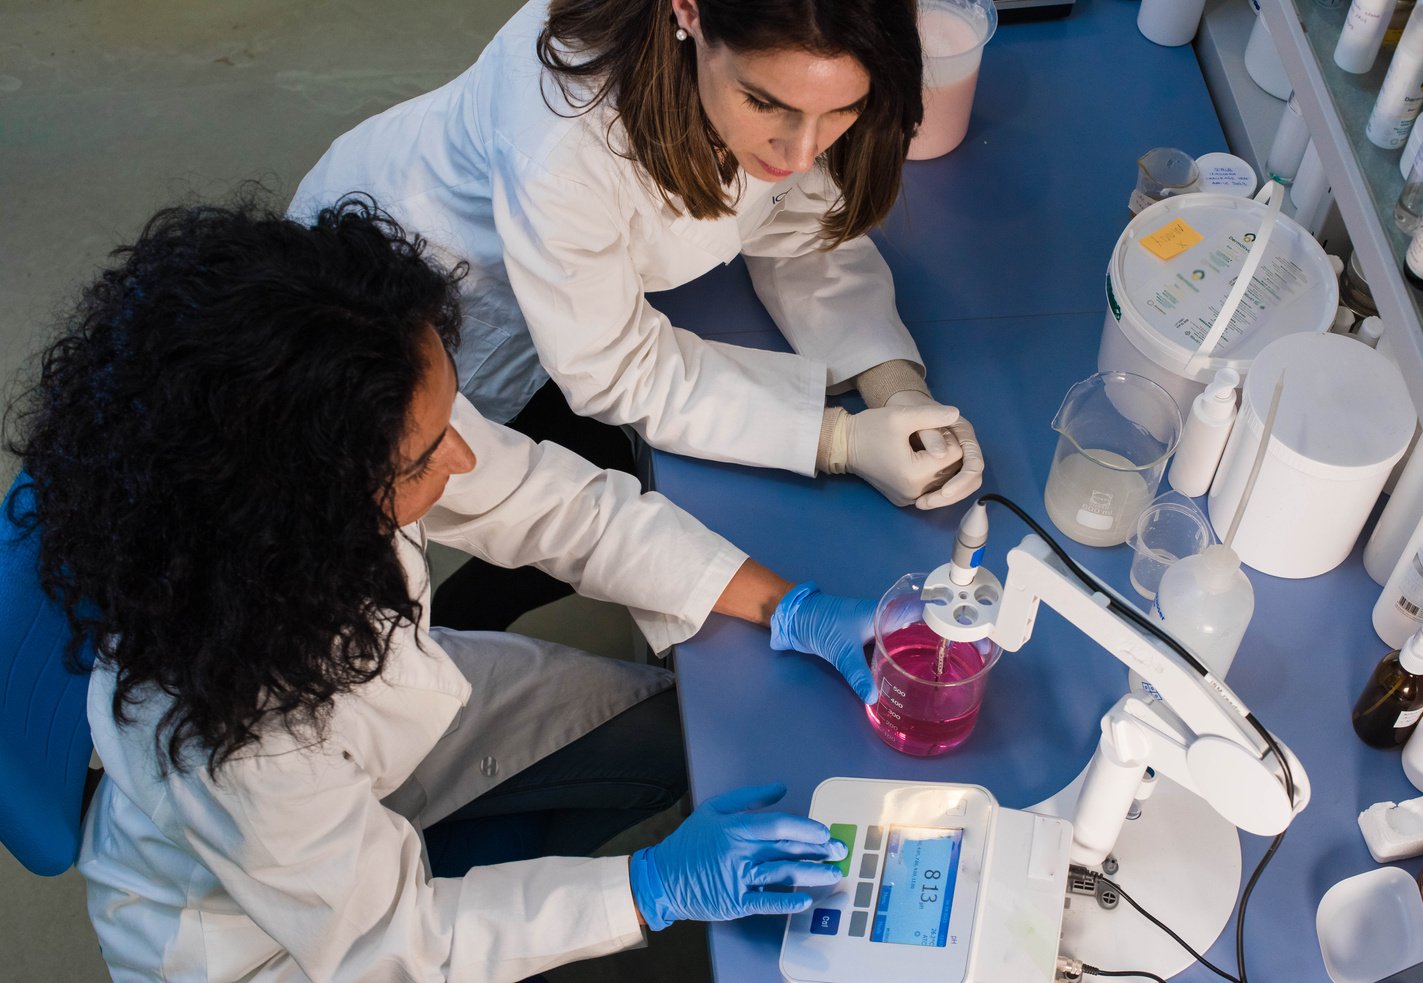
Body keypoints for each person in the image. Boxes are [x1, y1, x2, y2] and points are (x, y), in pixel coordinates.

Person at [9, 196, 878, 981]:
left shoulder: (348, 418)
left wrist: (787, 603)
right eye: (425, 457)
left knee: (670, 736)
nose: (461, 457)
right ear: (304, 509)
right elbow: (396, 940)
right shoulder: (238, 745)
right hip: (268, 940)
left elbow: (553, 505)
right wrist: (648, 890)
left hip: (370, 722)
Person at [290, 0, 985, 515]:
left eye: (839, 113)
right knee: (487, 513)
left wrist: (896, 386)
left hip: (566, 298)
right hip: (407, 297)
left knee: (585, 491)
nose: (802, 153)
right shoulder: (566, 141)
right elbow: (614, 363)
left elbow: (796, 225)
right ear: (689, 12)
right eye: (763, 103)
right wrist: (835, 439)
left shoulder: (805, 63)